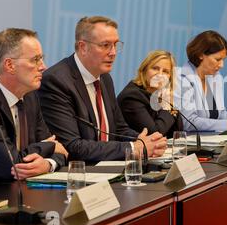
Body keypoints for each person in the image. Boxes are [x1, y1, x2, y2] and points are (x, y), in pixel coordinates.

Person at [38, 16, 167, 163]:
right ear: (83, 47)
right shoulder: (56, 81)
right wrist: (133, 147)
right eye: (105, 45)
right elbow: (72, 146)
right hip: (78, 174)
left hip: (107, 169)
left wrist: (145, 141)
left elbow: (118, 129)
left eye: (115, 45)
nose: (113, 52)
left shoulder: (104, 78)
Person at [0, 28, 67, 188]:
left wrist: (48, 164)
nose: (43, 67)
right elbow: (11, 166)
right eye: (35, 60)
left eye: (42, 59)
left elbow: (62, 152)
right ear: (10, 65)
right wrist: (49, 146)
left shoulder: (30, 96)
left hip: (21, 193)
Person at [174, 30, 227, 132]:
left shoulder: (215, 77)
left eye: (223, 60)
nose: (222, 65)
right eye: (217, 59)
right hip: (190, 143)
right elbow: (189, 123)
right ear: (201, 55)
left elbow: (220, 115)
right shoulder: (181, 78)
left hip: (213, 141)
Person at [117, 50, 183, 138]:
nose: (160, 74)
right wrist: (168, 105)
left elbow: (177, 132)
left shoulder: (160, 94)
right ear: (144, 70)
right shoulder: (132, 96)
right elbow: (155, 134)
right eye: (155, 68)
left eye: (165, 71)